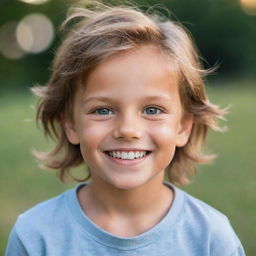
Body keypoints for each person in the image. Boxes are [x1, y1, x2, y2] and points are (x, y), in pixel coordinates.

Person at [6, 1, 246, 255]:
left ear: (183, 126)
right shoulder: (35, 236)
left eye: (152, 110)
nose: (128, 130)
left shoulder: (211, 238)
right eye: (103, 110)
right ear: (71, 125)